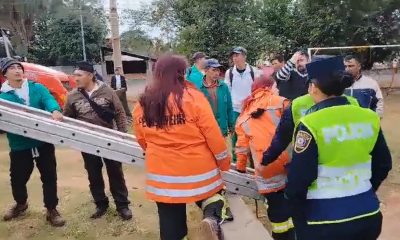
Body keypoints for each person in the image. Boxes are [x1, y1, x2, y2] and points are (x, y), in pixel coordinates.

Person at [286, 56, 392, 240]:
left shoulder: (311, 123)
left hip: (323, 222)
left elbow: (300, 179)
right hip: (367, 216)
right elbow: (383, 164)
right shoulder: (368, 117)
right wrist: (365, 192)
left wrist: (296, 208)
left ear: (313, 87)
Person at [133, 54, 232, 240]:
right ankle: (211, 218)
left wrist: (155, 151)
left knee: (170, 222)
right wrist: (223, 163)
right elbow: (213, 135)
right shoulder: (193, 98)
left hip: (162, 176)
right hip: (199, 171)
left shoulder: (144, 102)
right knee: (214, 195)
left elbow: (141, 137)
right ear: (182, 73)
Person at [258, 57, 360, 175]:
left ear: (313, 86)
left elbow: (281, 138)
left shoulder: (297, 105)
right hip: (350, 173)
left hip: (311, 173)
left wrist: (265, 161)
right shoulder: (354, 103)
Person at [0, 57, 65, 227]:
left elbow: (48, 100)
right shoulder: (2, 97)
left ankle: (51, 209)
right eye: (12, 68)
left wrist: (54, 110)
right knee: (18, 179)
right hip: (19, 145)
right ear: (5, 74)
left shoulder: (36, 88)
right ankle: (21, 203)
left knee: (49, 176)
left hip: (43, 141)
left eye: (19, 67)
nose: (17, 70)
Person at [63, 61, 132, 220]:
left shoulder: (107, 91)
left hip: (110, 140)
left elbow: (120, 113)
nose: (75, 78)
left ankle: (123, 206)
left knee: (115, 173)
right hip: (87, 143)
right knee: (93, 174)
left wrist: (121, 135)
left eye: (79, 75)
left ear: (90, 75)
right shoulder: (72, 95)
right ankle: (101, 204)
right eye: (74, 75)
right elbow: (68, 117)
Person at [235, 67, 294, 240]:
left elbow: (241, 147)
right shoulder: (282, 102)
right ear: (270, 87)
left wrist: (240, 168)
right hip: (289, 162)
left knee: (275, 207)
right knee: (291, 201)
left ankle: (281, 234)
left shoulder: (244, 115)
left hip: (265, 167)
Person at [225, 46, 258, 162]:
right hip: (235, 109)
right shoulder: (229, 73)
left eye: (237, 55)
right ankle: (236, 160)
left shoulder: (254, 71)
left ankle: (253, 160)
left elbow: (258, 90)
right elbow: (227, 91)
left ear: (244, 56)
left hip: (250, 109)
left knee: (252, 135)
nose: (235, 58)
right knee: (236, 136)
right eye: (233, 55)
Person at [200, 58, 234, 137]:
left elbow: (229, 107)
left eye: (218, 70)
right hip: (206, 131)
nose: (217, 73)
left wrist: (231, 126)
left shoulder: (223, 86)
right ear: (206, 70)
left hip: (222, 130)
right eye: (214, 70)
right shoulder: (199, 88)